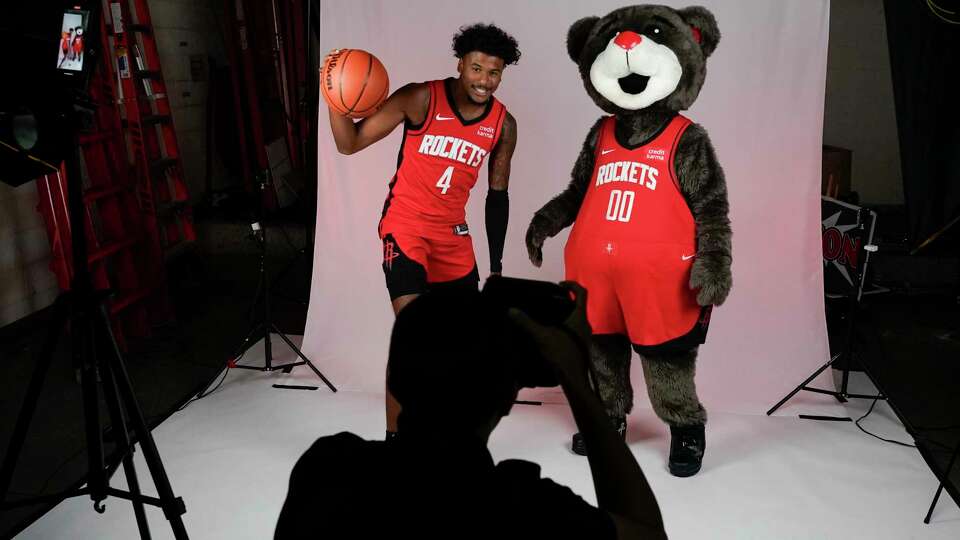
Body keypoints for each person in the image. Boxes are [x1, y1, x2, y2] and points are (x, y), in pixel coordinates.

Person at [275, 284, 667, 539]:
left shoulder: (326, 472)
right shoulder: (526, 514)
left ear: (393, 380)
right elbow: (647, 532)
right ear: (508, 399)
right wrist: (577, 381)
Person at [325, 24, 521, 439]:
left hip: (453, 235)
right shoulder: (420, 98)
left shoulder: (503, 125)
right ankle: (397, 441)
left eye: (494, 72)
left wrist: (497, 266)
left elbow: (497, 196)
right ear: (460, 65)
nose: (484, 80)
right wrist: (335, 97)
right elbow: (350, 143)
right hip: (406, 226)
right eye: (476, 69)